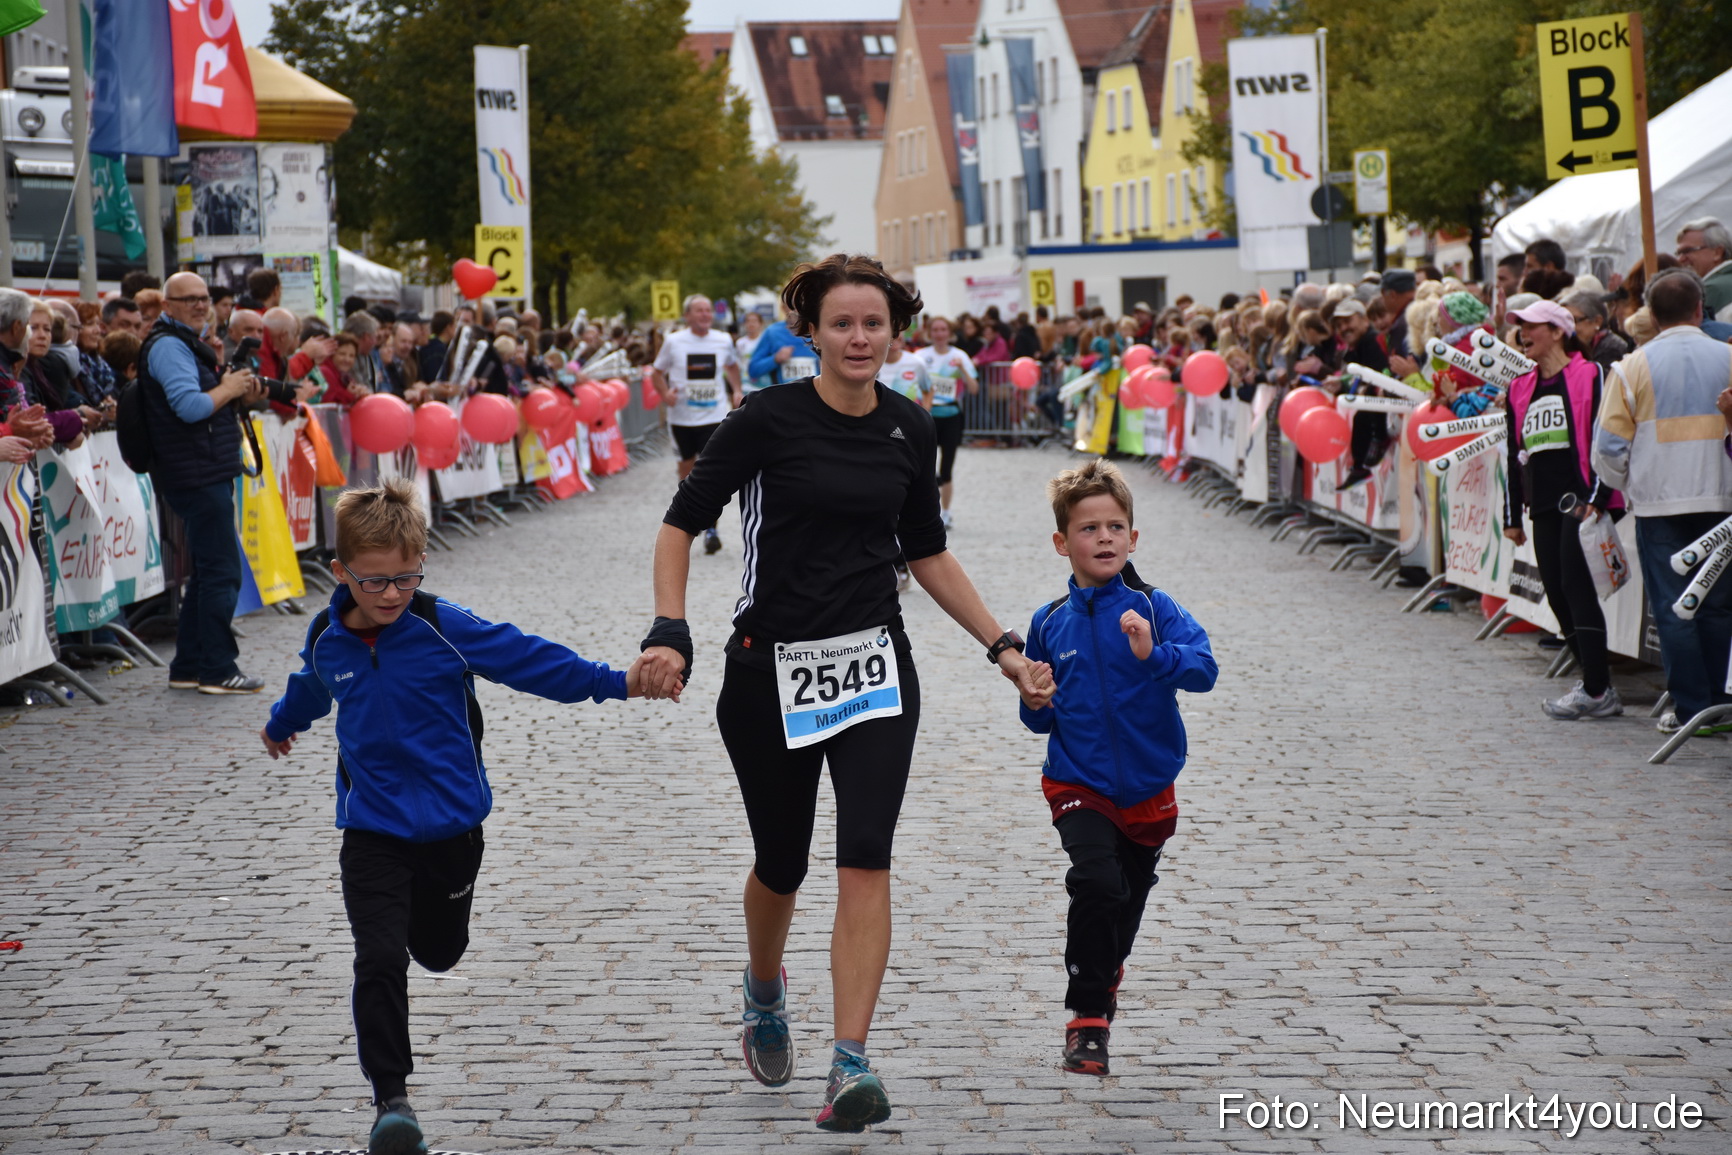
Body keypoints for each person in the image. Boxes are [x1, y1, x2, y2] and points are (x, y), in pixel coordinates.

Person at [637, 253, 1051, 1135]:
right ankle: (763, 987)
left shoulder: (907, 425)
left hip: (872, 669)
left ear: (895, 331)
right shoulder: (766, 421)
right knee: (781, 861)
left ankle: (851, 1061)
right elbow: (682, 522)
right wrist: (669, 628)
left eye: (874, 324)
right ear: (811, 331)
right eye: (842, 324)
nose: (859, 338)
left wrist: (1003, 648)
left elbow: (927, 553)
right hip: (766, 669)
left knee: (866, 852)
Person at [259, 479, 672, 1155]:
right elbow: (311, 683)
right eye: (374, 582)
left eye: (405, 577)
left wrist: (618, 680)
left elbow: (531, 660)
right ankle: (392, 1101)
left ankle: (438, 938)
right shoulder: (327, 636)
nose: (391, 594)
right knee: (379, 956)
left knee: (439, 950)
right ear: (340, 573)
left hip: (453, 830)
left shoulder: (441, 625)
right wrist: (283, 723)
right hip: (372, 830)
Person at [1016, 460, 1215, 1076]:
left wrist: (1154, 653)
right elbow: (1039, 719)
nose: (1103, 538)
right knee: (1097, 883)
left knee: (1125, 899)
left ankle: (1106, 965)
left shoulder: (1155, 607)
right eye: (1088, 528)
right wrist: (1034, 700)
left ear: (1134, 538)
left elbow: (1203, 670)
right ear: (1061, 543)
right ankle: (1087, 1020)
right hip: (1077, 781)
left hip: (1150, 785)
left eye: (1116, 526)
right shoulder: (1049, 623)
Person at [1592, 269, 1732, 736]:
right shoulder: (1728, 356)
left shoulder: (1632, 366)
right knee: (1715, 605)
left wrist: (1631, 486)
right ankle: (1717, 701)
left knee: (1676, 609)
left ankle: (1693, 709)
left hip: (1660, 503)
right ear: (1699, 309)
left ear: (1650, 314)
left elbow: (1607, 449)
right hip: (1722, 496)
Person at [139, 272, 267, 694]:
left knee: (208, 571)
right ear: (167, 305)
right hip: (194, 472)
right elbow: (191, 408)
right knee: (223, 571)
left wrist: (232, 390)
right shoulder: (170, 346)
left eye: (203, 297)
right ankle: (217, 669)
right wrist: (228, 387)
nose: (199, 304)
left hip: (200, 469)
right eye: (188, 298)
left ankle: (188, 666)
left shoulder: (184, 343)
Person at [1499, 300, 1624, 721]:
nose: (1522, 334)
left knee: (1575, 584)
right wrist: (1513, 517)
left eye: (1530, 326)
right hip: (1545, 504)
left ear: (1556, 331)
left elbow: (1606, 435)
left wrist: (1597, 497)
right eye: (1519, 328)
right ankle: (1596, 682)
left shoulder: (1590, 374)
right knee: (1555, 592)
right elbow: (1514, 454)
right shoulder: (1518, 388)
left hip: (1582, 500)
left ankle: (1596, 688)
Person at [652, 294, 742, 555]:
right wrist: (665, 394)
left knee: (709, 473)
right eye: (699, 311)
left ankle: (711, 528)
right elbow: (657, 371)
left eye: (708, 310)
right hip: (682, 418)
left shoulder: (723, 339)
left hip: (714, 416)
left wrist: (736, 390)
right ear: (688, 315)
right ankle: (689, 521)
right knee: (686, 473)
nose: (704, 314)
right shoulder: (674, 341)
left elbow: (733, 366)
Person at [913, 315, 976, 528]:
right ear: (930, 333)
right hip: (927, 416)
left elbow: (974, 388)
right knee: (924, 467)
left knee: (946, 467)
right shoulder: (920, 356)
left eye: (943, 330)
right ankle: (925, 510)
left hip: (951, 416)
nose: (940, 334)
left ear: (950, 333)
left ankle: (946, 513)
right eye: (936, 330)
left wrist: (963, 371)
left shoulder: (959, 356)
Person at [1673, 217, 1732, 319]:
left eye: (1687, 250)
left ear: (1717, 252)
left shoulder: (1710, 290)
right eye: (1678, 253)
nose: (1680, 259)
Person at [735, 310, 768, 393]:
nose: (751, 324)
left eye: (754, 321)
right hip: (745, 384)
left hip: (762, 384)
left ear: (760, 324)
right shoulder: (740, 343)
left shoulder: (765, 341)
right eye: (748, 321)